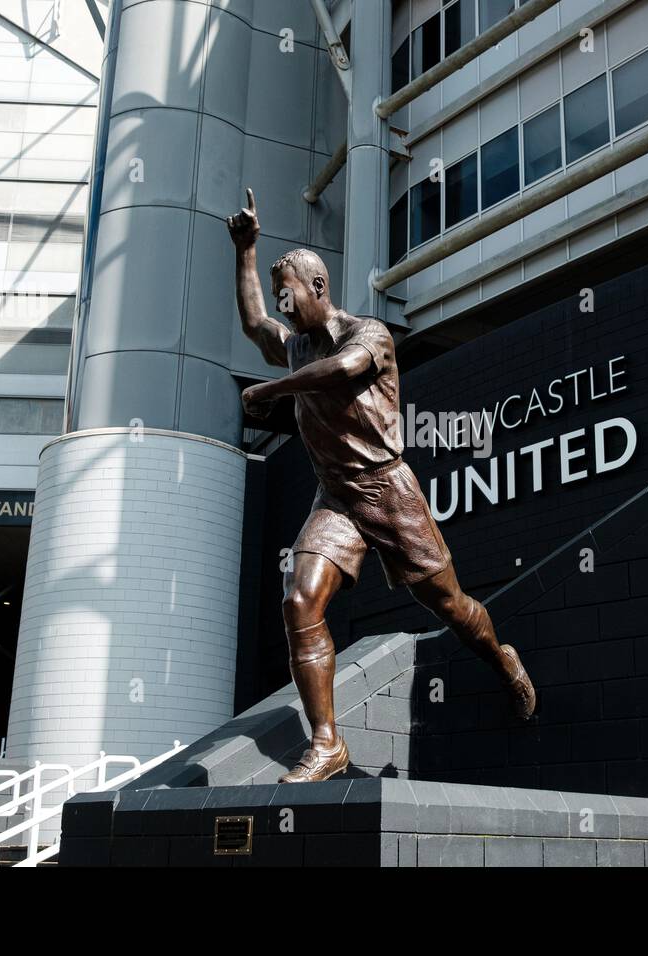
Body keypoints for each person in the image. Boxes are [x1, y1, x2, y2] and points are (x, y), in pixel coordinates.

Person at [226, 188, 536, 783]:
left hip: (388, 490)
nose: (285, 310)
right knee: (299, 600)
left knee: (450, 605)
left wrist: (269, 392)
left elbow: (341, 372)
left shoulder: (367, 334)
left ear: (319, 289)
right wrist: (246, 251)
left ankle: (502, 660)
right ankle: (327, 743)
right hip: (336, 498)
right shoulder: (293, 347)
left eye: (290, 297)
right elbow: (252, 323)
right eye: (282, 302)